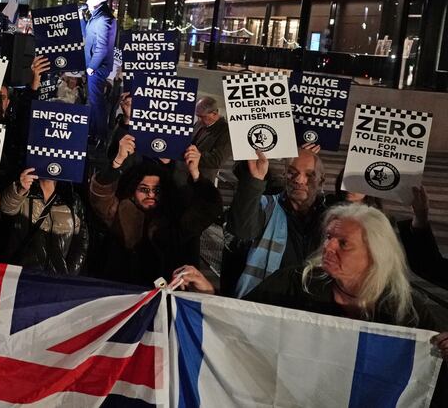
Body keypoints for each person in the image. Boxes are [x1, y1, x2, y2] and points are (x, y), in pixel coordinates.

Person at [175, 204, 448, 361]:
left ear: (376, 253)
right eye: (328, 237)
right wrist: (211, 294)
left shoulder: (407, 311)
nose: (328, 247)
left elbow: (427, 376)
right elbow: (242, 322)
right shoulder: (294, 282)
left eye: (343, 243)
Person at [88, 136, 222, 286]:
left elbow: (208, 208)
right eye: (144, 189)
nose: (151, 194)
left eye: (156, 190)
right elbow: (100, 195)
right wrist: (117, 162)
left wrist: (196, 174)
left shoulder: (176, 216)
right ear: (133, 191)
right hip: (121, 292)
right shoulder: (119, 211)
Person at [225, 147, 329, 298]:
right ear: (284, 175)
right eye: (292, 172)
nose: (299, 180)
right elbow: (242, 230)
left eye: (309, 174)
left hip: (312, 309)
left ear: (321, 181)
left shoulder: (331, 219)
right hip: (265, 303)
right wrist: (255, 180)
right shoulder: (266, 206)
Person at [0, 167, 89, 276]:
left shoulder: (72, 199)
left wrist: (69, 275)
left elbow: (81, 242)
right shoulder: (24, 192)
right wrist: (20, 189)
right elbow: (7, 208)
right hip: (22, 276)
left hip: (56, 281)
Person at [83, 0, 117, 145]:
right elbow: (88, 34)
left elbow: (102, 47)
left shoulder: (103, 19)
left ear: (96, 0)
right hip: (95, 67)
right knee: (95, 100)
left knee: (97, 102)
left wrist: (92, 66)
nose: (87, 1)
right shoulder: (98, 16)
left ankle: (101, 136)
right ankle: (95, 133)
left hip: (97, 68)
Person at [185, 96, 232, 184]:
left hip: (202, 180)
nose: (199, 120)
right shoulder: (199, 123)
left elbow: (217, 160)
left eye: (202, 117)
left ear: (214, 113)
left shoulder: (226, 131)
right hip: (184, 176)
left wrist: (195, 156)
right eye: (198, 116)